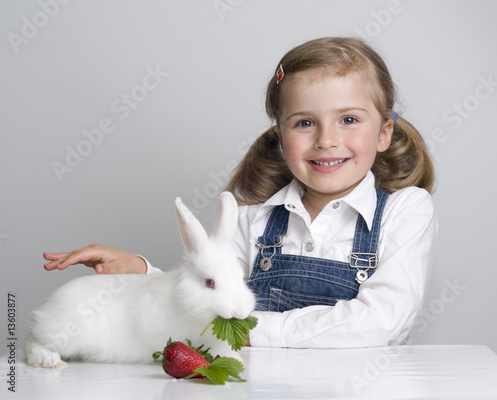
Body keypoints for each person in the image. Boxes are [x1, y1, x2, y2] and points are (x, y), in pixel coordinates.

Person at [44, 37, 438, 349]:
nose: (327, 140)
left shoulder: (406, 210)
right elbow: (210, 300)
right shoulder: (254, 218)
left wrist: (250, 332)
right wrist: (142, 274)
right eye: (304, 123)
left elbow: (381, 321)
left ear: (384, 132)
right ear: (281, 138)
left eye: (348, 119)